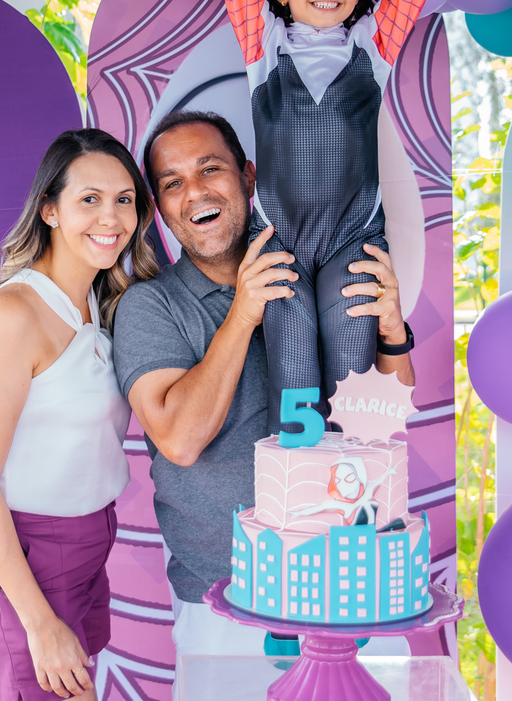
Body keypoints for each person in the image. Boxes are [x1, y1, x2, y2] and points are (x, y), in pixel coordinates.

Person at [112, 110, 414, 689]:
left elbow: (387, 421)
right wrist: (244, 311)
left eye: (210, 169)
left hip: (353, 582)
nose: (194, 192)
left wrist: (393, 332)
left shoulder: (319, 275)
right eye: (172, 182)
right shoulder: (151, 306)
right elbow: (179, 439)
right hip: (224, 606)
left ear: (249, 177)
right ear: (159, 207)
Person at [213, 0, 446, 431]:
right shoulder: (263, 45)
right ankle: (299, 480)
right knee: (292, 371)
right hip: (279, 239)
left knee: (350, 366)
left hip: (354, 236)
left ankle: (354, 479)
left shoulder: (374, 46)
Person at [0, 128, 158, 701]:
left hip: (89, 545)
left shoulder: (99, 298)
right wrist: (39, 624)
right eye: (89, 199)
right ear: (50, 210)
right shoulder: (15, 313)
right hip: (22, 556)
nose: (110, 217)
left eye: (124, 199)